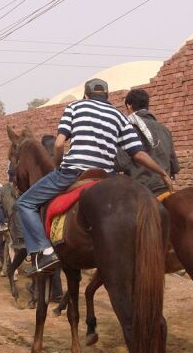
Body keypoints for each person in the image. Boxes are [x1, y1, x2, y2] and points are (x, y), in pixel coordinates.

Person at [17, 78, 173, 276]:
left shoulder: (74, 107)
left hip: (73, 171)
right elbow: (139, 154)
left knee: (25, 203)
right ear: (107, 97)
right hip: (105, 177)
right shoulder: (118, 116)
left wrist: (59, 166)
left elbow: (58, 144)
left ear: (86, 95)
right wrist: (162, 172)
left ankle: (45, 252)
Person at [116, 88, 180, 198]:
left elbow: (121, 163)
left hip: (139, 190)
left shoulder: (128, 129)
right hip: (164, 187)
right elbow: (175, 167)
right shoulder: (164, 130)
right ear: (147, 105)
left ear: (129, 106)